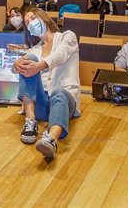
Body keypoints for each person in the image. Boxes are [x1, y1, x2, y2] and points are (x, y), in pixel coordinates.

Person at [15, 8, 80, 160]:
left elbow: (60, 55)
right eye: (27, 22)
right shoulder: (35, 49)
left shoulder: (67, 36)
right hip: (41, 103)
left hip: (63, 101)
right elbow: (19, 67)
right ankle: (30, 121)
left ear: (43, 17)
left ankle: (51, 139)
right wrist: (17, 64)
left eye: (32, 18)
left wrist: (40, 65)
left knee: (59, 92)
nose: (30, 23)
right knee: (27, 58)